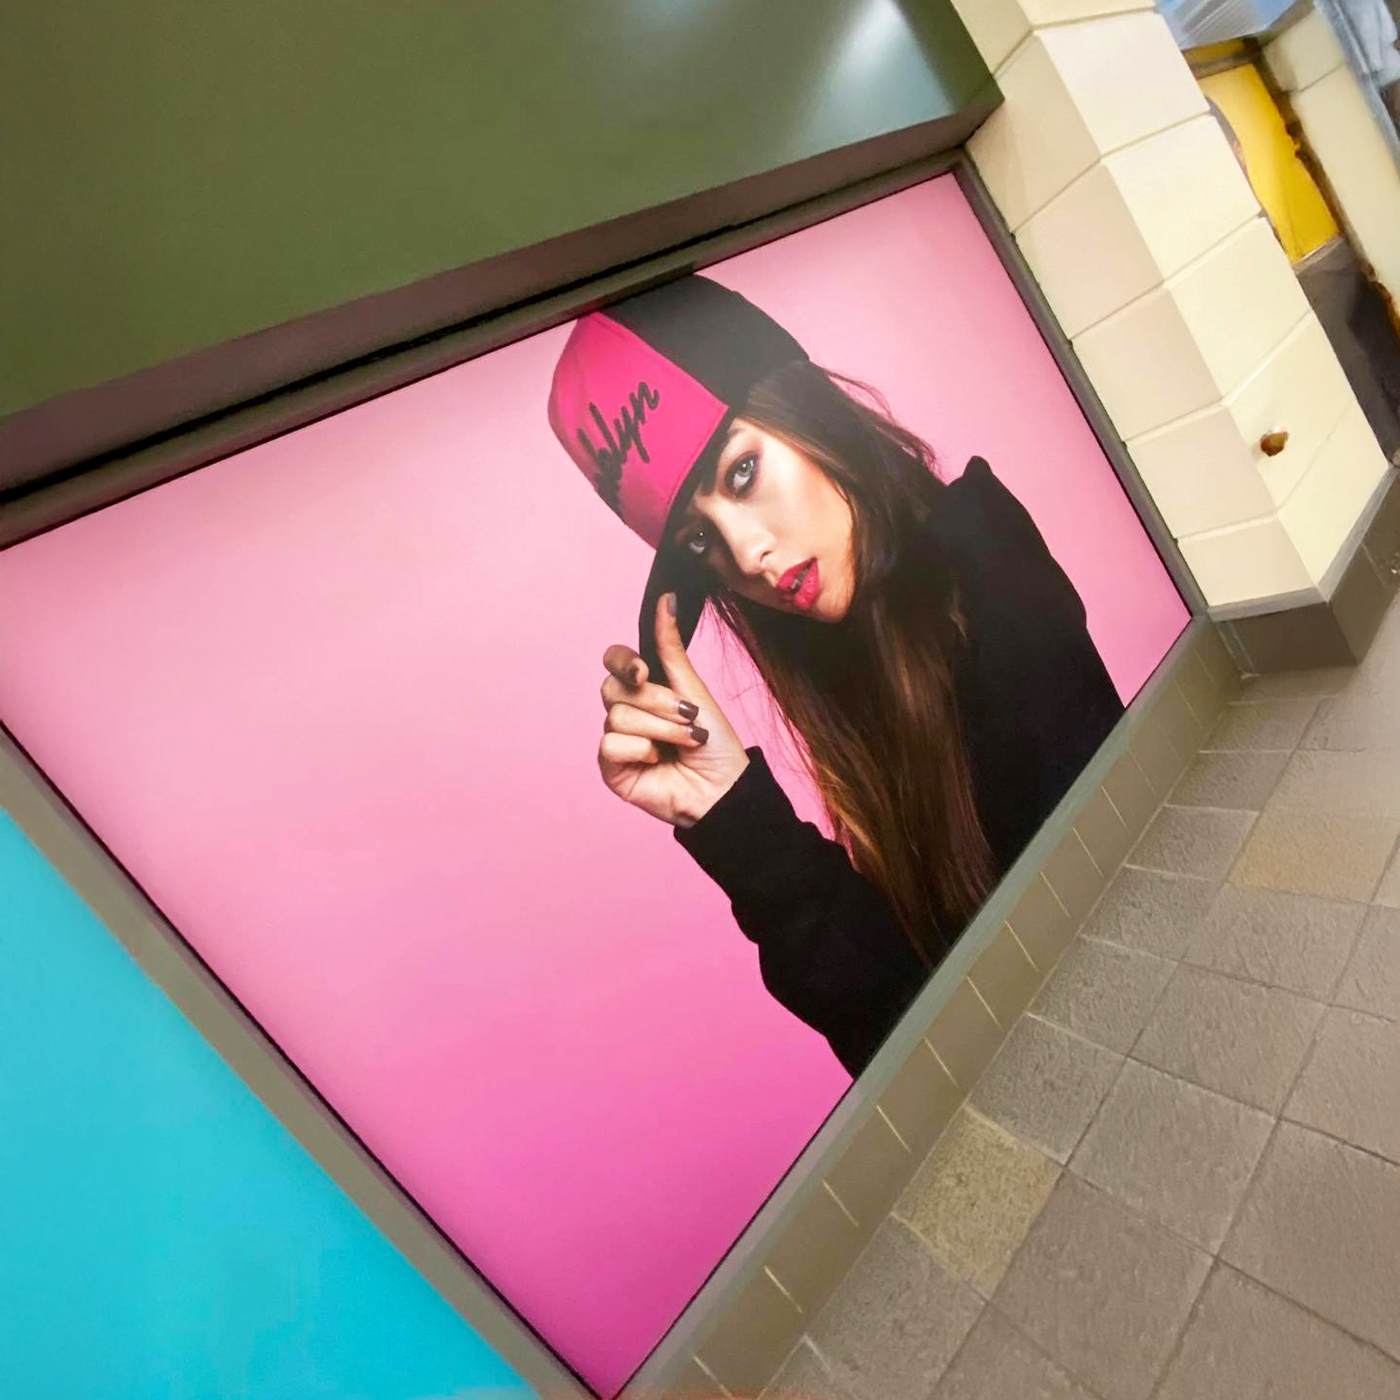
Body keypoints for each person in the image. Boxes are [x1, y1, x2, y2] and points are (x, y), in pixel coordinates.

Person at [547, 276, 1124, 1074]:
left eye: (742, 473)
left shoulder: (986, 572)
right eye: (700, 541)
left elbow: (1084, 985)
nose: (747, 554)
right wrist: (729, 811)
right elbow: (930, 1039)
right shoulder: (864, 659)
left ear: (806, 413)